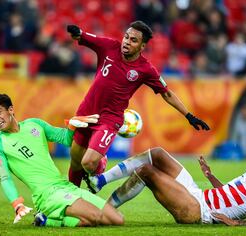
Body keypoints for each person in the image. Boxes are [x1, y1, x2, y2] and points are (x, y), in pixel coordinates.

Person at [66, 21, 210, 187]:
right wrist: (76, 31)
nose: (127, 41)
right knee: (75, 162)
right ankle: (70, 200)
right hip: (86, 112)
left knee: (88, 163)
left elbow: (167, 93)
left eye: (133, 40)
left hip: (109, 119)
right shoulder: (109, 46)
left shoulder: (146, 69)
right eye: (126, 37)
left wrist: (189, 115)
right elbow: (82, 36)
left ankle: (101, 163)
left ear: (142, 46)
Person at [0, 94, 124, 227]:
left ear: (10, 110)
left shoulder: (34, 124)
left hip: (66, 186)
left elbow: (65, 139)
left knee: (118, 220)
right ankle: (47, 221)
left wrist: (72, 126)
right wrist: (17, 204)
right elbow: (4, 178)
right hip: (47, 194)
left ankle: (44, 220)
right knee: (95, 217)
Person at [87, 140, 246, 226]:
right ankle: (100, 181)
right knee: (157, 154)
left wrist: (235, 223)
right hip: (198, 195)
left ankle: (104, 210)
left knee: (147, 172)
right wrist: (210, 176)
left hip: (197, 211)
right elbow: (228, 196)